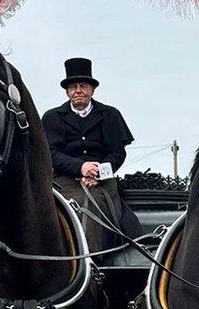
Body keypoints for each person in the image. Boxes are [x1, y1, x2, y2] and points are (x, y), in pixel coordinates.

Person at [41, 57, 142, 252]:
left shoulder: (110, 115)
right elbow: (50, 153)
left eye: (83, 86)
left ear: (92, 90)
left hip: (102, 178)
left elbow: (117, 152)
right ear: (67, 91)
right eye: (73, 86)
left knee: (92, 202)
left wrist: (98, 172)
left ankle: (91, 258)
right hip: (65, 179)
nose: (78, 90)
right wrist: (80, 168)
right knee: (71, 203)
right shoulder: (52, 117)